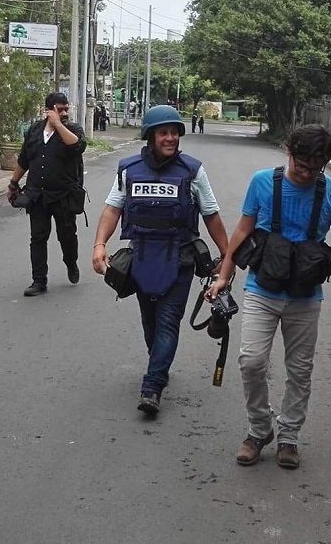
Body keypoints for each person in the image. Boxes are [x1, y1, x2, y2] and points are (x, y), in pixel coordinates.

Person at [207, 124, 331, 470]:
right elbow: (243, 230)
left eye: (313, 169)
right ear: (289, 153)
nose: (305, 174)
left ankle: (289, 435)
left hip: (306, 296)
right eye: (299, 166)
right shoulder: (263, 182)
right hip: (262, 288)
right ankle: (259, 428)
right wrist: (224, 276)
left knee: (300, 370)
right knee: (251, 361)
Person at [91, 105, 230, 416]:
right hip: (141, 258)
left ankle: (152, 386)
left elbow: (211, 215)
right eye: (163, 132)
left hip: (178, 258)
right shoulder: (128, 169)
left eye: (174, 132)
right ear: (150, 136)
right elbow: (112, 209)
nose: (170, 138)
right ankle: (160, 364)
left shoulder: (193, 171)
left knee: (168, 322)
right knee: (150, 323)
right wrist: (99, 245)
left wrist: (227, 256)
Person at [7, 92, 87, 297]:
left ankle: (71, 263)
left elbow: (77, 146)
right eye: (60, 110)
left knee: (67, 236)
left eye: (66, 109)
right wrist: (13, 183)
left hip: (63, 195)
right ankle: (39, 280)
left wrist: (59, 125)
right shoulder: (34, 131)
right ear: (49, 110)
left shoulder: (72, 130)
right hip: (38, 196)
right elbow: (24, 159)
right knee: (38, 238)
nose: (65, 113)